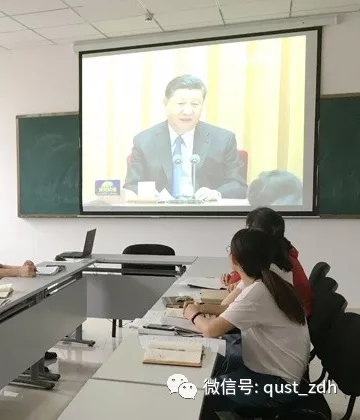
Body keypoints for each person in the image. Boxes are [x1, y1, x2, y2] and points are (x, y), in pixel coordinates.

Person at [183, 229, 310, 418]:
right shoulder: (265, 278)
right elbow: (232, 308)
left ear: (233, 259)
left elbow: (210, 330)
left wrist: (193, 315)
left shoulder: (258, 292)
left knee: (198, 392)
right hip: (275, 370)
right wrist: (201, 308)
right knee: (214, 364)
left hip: (276, 384)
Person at [124, 74, 247, 201]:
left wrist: (216, 193)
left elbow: (238, 185)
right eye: (181, 103)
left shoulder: (223, 140)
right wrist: (148, 194)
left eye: (195, 104)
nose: (188, 111)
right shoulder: (144, 141)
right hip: (161, 211)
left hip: (206, 211)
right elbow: (131, 185)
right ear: (166, 103)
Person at [221, 207, 312, 316]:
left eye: (249, 229)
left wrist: (237, 276)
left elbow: (226, 304)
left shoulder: (271, 265)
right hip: (297, 315)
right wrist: (235, 274)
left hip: (293, 316)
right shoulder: (283, 253)